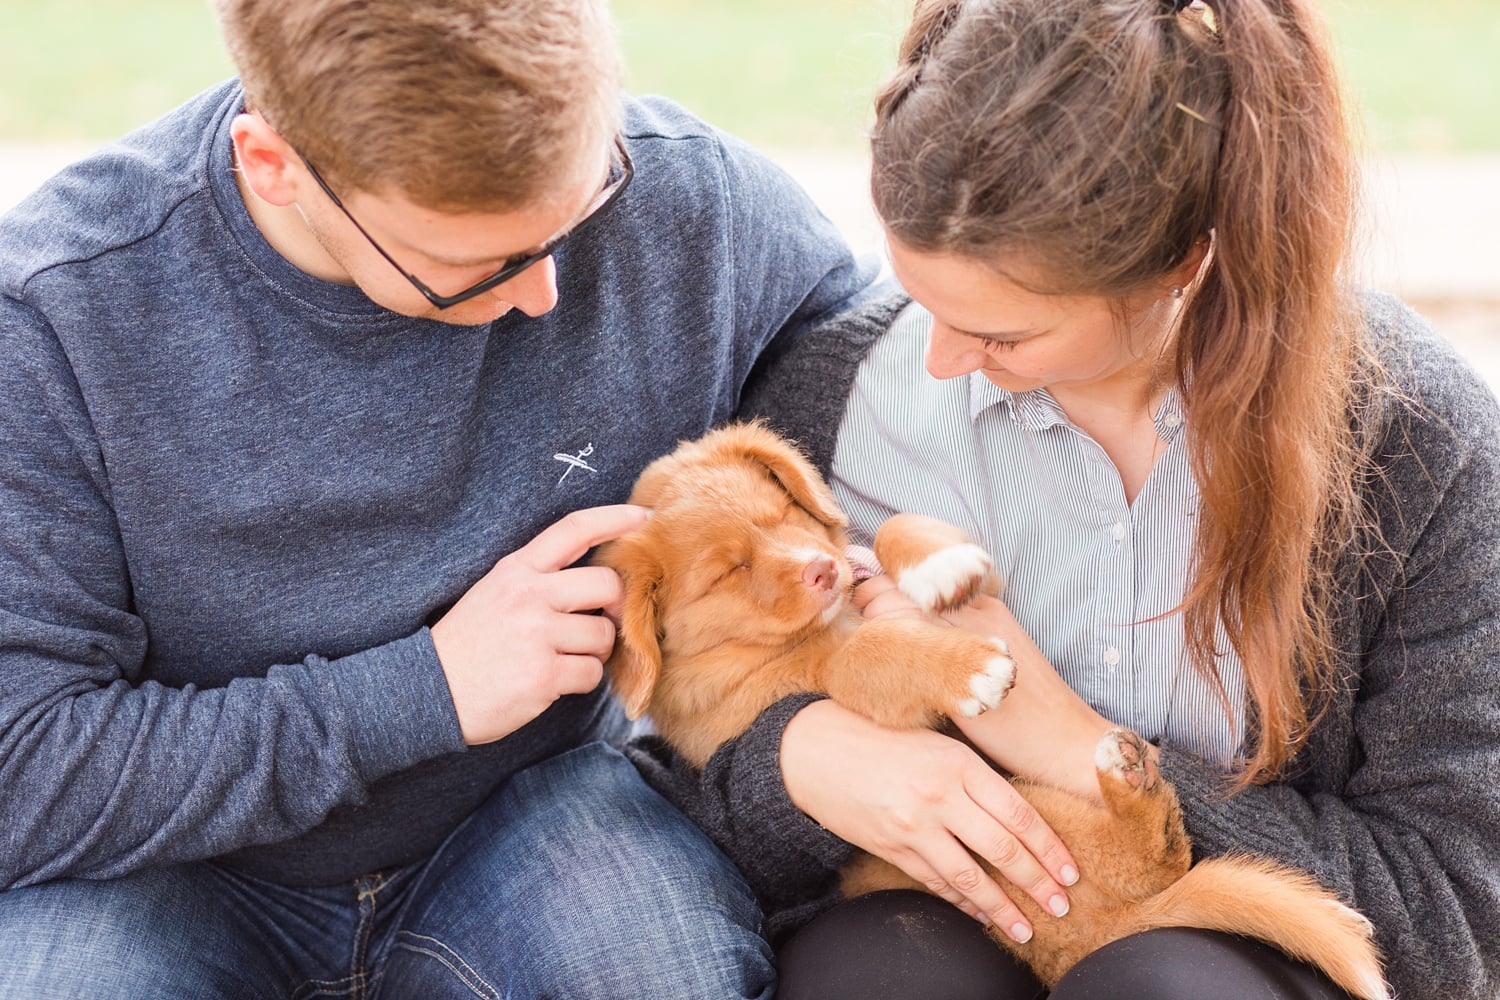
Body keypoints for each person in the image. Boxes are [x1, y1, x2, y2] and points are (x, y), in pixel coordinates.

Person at [0, 0, 878, 996]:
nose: (546, 293)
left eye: (582, 207)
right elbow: (21, 769)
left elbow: (874, 361)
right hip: (167, 870)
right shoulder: (55, 317)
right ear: (273, 164)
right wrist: (425, 693)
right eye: (476, 267)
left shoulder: (687, 198)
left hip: (533, 803)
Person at [629, 0, 1500, 997]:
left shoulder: (1414, 443)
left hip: (1225, 956)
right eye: (924, 300)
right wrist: (797, 765)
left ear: (1186, 262)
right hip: (920, 925)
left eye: (1003, 337)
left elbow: (1457, 901)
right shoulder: (840, 397)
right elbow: (673, 778)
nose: (942, 358)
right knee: (878, 968)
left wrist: (1078, 748)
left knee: (1162, 986)